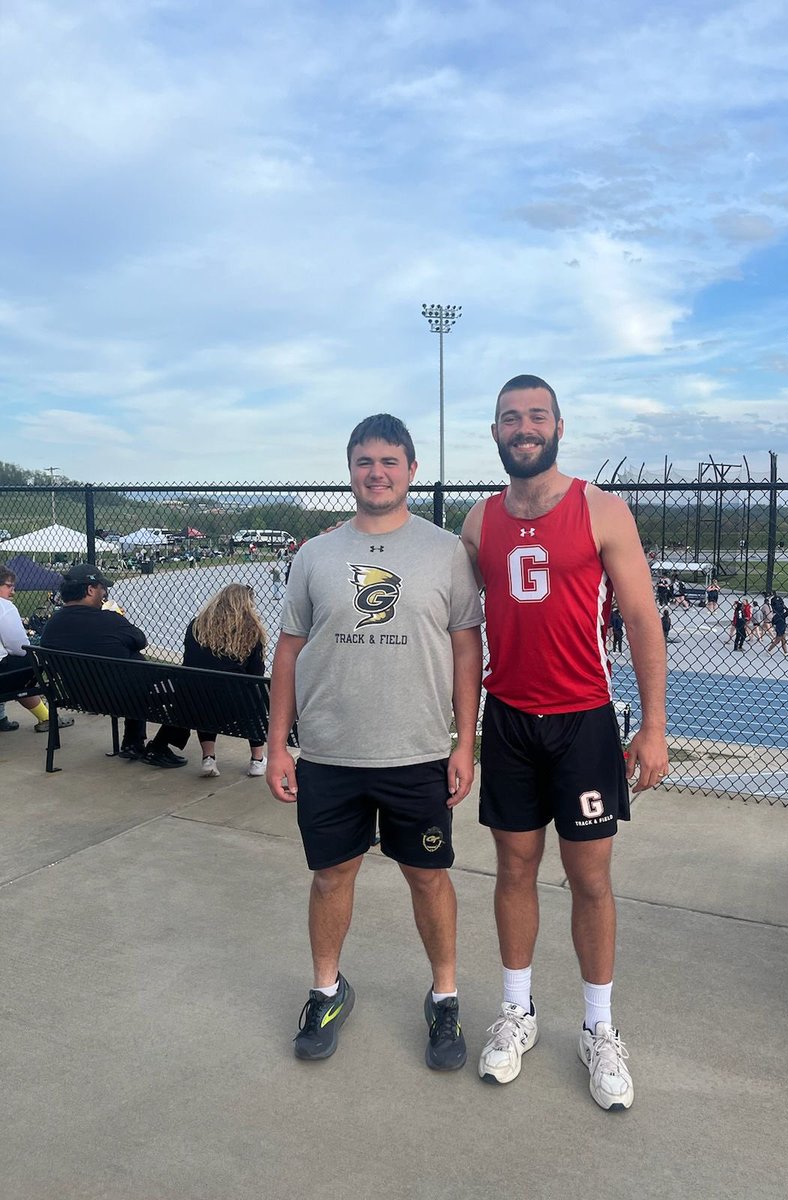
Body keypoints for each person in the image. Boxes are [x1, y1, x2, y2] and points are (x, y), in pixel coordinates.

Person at [461, 375, 668, 1112]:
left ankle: (599, 1028)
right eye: (510, 418)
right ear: (494, 432)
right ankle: (518, 1012)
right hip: (509, 719)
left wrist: (653, 726)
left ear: (558, 427)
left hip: (583, 720)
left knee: (591, 879)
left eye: (536, 416)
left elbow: (643, 620)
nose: (524, 428)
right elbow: (459, 622)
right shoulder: (477, 522)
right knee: (513, 869)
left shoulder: (601, 509)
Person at [266, 414, 483, 1072]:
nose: (377, 472)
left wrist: (464, 742)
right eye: (365, 461)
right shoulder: (316, 555)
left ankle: (444, 997)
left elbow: (467, 647)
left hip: (416, 752)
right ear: (350, 470)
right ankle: (327, 991)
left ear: (411, 470)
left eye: (390, 461)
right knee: (332, 876)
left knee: (428, 877)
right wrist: (277, 743)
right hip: (330, 752)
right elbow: (289, 651)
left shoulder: (445, 551)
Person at [40, 564, 186, 767]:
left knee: (130, 662)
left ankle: (133, 743)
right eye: (102, 588)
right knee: (188, 689)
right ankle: (157, 746)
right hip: (122, 696)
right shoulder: (110, 619)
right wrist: (117, 616)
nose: (105, 593)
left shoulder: (51, 626)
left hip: (80, 696)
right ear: (90, 589)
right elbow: (141, 640)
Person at [151, 584, 268, 778]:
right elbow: (255, 674)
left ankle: (208, 758)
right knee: (253, 695)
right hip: (236, 706)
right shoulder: (252, 631)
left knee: (205, 689)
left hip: (196, 702)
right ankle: (257, 760)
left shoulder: (196, 625)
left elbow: (189, 661)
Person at [0, 564, 74, 733]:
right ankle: (48, 717)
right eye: (8, 586)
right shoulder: (4, 606)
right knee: (33, 658)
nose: (13, 591)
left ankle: (4, 717)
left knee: (13, 665)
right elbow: (19, 647)